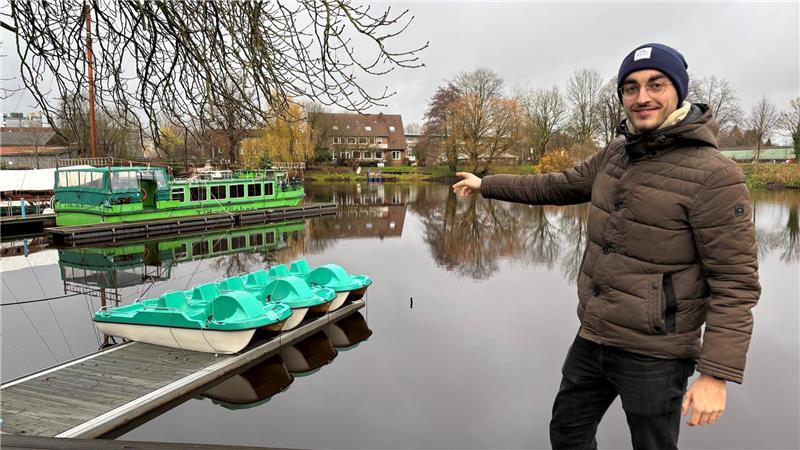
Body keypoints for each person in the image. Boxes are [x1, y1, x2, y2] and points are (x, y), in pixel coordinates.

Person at [453, 43, 760, 450]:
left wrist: (716, 374)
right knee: (568, 432)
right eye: (630, 88)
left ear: (678, 90)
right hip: (595, 332)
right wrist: (486, 184)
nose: (642, 97)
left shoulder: (715, 175)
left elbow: (735, 282)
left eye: (656, 85)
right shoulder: (617, 153)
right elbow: (558, 185)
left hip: (656, 351)